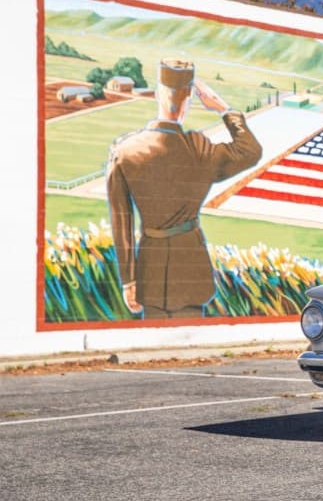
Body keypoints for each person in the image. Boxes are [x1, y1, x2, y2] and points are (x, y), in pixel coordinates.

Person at [106, 58, 262, 318]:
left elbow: (121, 220)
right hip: (191, 268)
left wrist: (128, 280)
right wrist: (224, 109)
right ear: (189, 98)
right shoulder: (199, 149)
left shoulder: (125, 150)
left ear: (157, 93)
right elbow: (250, 151)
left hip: (150, 270)